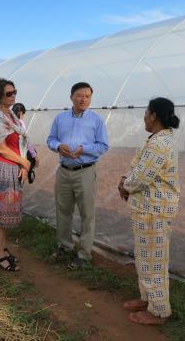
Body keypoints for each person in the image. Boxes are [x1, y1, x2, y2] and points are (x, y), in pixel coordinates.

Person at [118, 97, 180, 325]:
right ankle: (147, 299)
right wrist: (125, 179)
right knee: (145, 257)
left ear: (153, 115)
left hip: (155, 211)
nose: (144, 116)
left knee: (154, 261)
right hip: (148, 210)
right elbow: (138, 167)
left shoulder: (159, 144)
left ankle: (159, 311)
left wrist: (125, 184)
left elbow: (141, 177)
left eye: (146, 112)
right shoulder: (157, 139)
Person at [47, 82, 109, 269]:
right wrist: (59, 146)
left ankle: (84, 253)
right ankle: (64, 246)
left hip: (85, 171)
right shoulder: (60, 119)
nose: (84, 99)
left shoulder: (96, 121)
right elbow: (51, 139)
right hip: (65, 170)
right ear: (71, 96)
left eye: (87, 96)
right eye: (80, 95)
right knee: (63, 211)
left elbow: (103, 145)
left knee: (87, 214)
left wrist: (84, 149)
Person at [0, 78, 31, 271]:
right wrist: (25, 162)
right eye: (8, 93)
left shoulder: (11, 115)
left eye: (14, 92)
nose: (13, 96)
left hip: (13, 167)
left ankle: (3, 248)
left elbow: (20, 143)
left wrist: (23, 165)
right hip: (1, 168)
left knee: (5, 213)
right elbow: (1, 148)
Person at [12, 103, 39, 168]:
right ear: (21, 113)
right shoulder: (20, 123)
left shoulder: (9, 121)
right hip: (19, 154)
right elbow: (26, 141)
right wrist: (35, 156)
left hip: (11, 153)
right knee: (32, 153)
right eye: (23, 114)